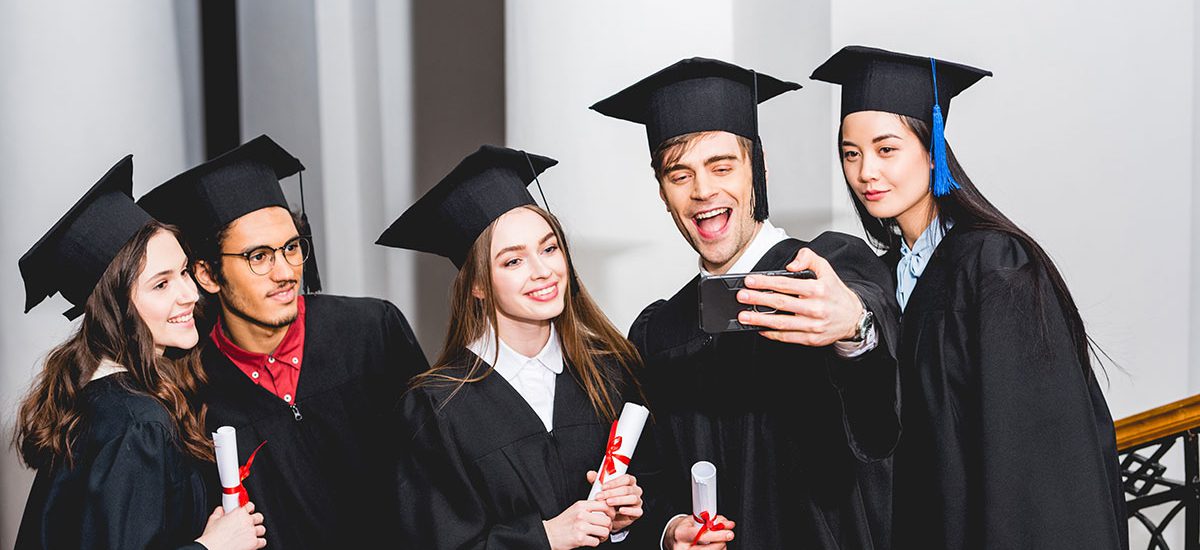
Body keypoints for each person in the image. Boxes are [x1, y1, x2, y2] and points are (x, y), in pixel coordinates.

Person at [811, 45, 1128, 549]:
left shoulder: (994, 264)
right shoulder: (884, 279)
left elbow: (1033, 458)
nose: (866, 171)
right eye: (851, 153)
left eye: (886, 149)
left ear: (933, 148)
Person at [591, 58, 901, 549]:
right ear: (663, 193)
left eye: (722, 166)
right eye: (679, 175)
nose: (703, 191)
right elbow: (647, 477)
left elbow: (883, 414)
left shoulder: (828, 270)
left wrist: (853, 326)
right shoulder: (660, 331)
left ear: (757, 168)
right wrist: (670, 529)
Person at [137, 136, 430, 549]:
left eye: (291, 248)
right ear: (208, 275)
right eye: (259, 256)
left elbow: (438, 472)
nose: (286, 272)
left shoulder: (371, 332)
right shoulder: (188, 387)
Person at [379, 145, 661, 549]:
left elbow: (655, 501)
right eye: (513, 261)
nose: (543, 271)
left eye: (549, 248)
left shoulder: (609, 372)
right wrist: (544, 537)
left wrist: (621, 525)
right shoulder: (437, 407)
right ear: (478, 285)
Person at [13, 156, 265, 549]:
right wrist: (215, 546)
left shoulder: (93, 399)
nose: (190, 294)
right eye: (161, 285)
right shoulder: (138, 423)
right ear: (116, 308)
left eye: (183, 272)